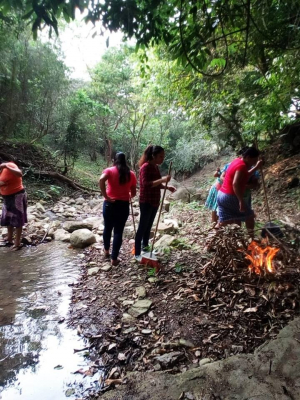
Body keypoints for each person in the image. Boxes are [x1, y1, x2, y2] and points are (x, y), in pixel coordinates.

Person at [134, 145, 176, 260]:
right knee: (142, 226)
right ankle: (137, 253)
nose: (162, 159)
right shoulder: (145, 167)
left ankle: (145, 248)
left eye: (163, 156)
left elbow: (156, 184)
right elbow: (146, 184)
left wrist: (167, 187)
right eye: (160, 156)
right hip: (146, 201)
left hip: (154, 201)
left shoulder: (155, 167)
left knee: (149, 226)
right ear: (153, 156)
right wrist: (162, 179)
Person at [99, 152, 137, 266]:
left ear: (114, 160)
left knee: (107, 227)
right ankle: (114, 258)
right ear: (125, 161)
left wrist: (105, 196)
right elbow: (134, 193)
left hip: (109, 204)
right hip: (123, 205)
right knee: (118, 231)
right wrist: (127, 196)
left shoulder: (109, 171)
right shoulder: (131, 174)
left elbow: (101, 180)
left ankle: (106, 251)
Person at [217, 147, 262, 234]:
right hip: (230, 196)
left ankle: (211, 242)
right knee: (249, 216)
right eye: (254, 160)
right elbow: (235, 184)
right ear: (248, 157)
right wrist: (241, 201)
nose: (254, 162)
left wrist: (256, 167)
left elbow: (245, 175)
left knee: (224, 221)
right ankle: (252, 240)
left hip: (221, 195)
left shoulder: (237, 161)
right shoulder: (241, 166)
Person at [0, 158, 27, 249]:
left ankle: (17, 243)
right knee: (8, 218)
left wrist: (6, 166)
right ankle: (9, 238)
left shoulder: (10, 165)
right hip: (7, 197)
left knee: (17, 219)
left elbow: (19, 174)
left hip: (17, 196)